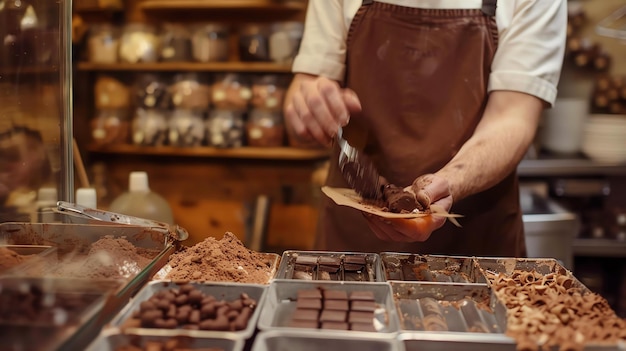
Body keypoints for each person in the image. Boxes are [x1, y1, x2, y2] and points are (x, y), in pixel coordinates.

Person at [283, 0, 567, 256]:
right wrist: (308, 102)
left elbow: (513, 117)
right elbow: (308, 83)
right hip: (353, 241)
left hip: (476, 244)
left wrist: (450, 183)